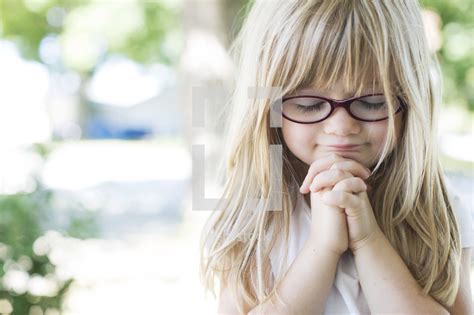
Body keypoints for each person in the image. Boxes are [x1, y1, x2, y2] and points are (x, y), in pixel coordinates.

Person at [199, 0, 473, 314]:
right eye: (308, 104)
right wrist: (324, 247)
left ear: (410, 100)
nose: (341, 127)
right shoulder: (253, 216)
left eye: (372, 102)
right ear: (267, 107)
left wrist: (368, 240)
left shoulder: (434, 208)